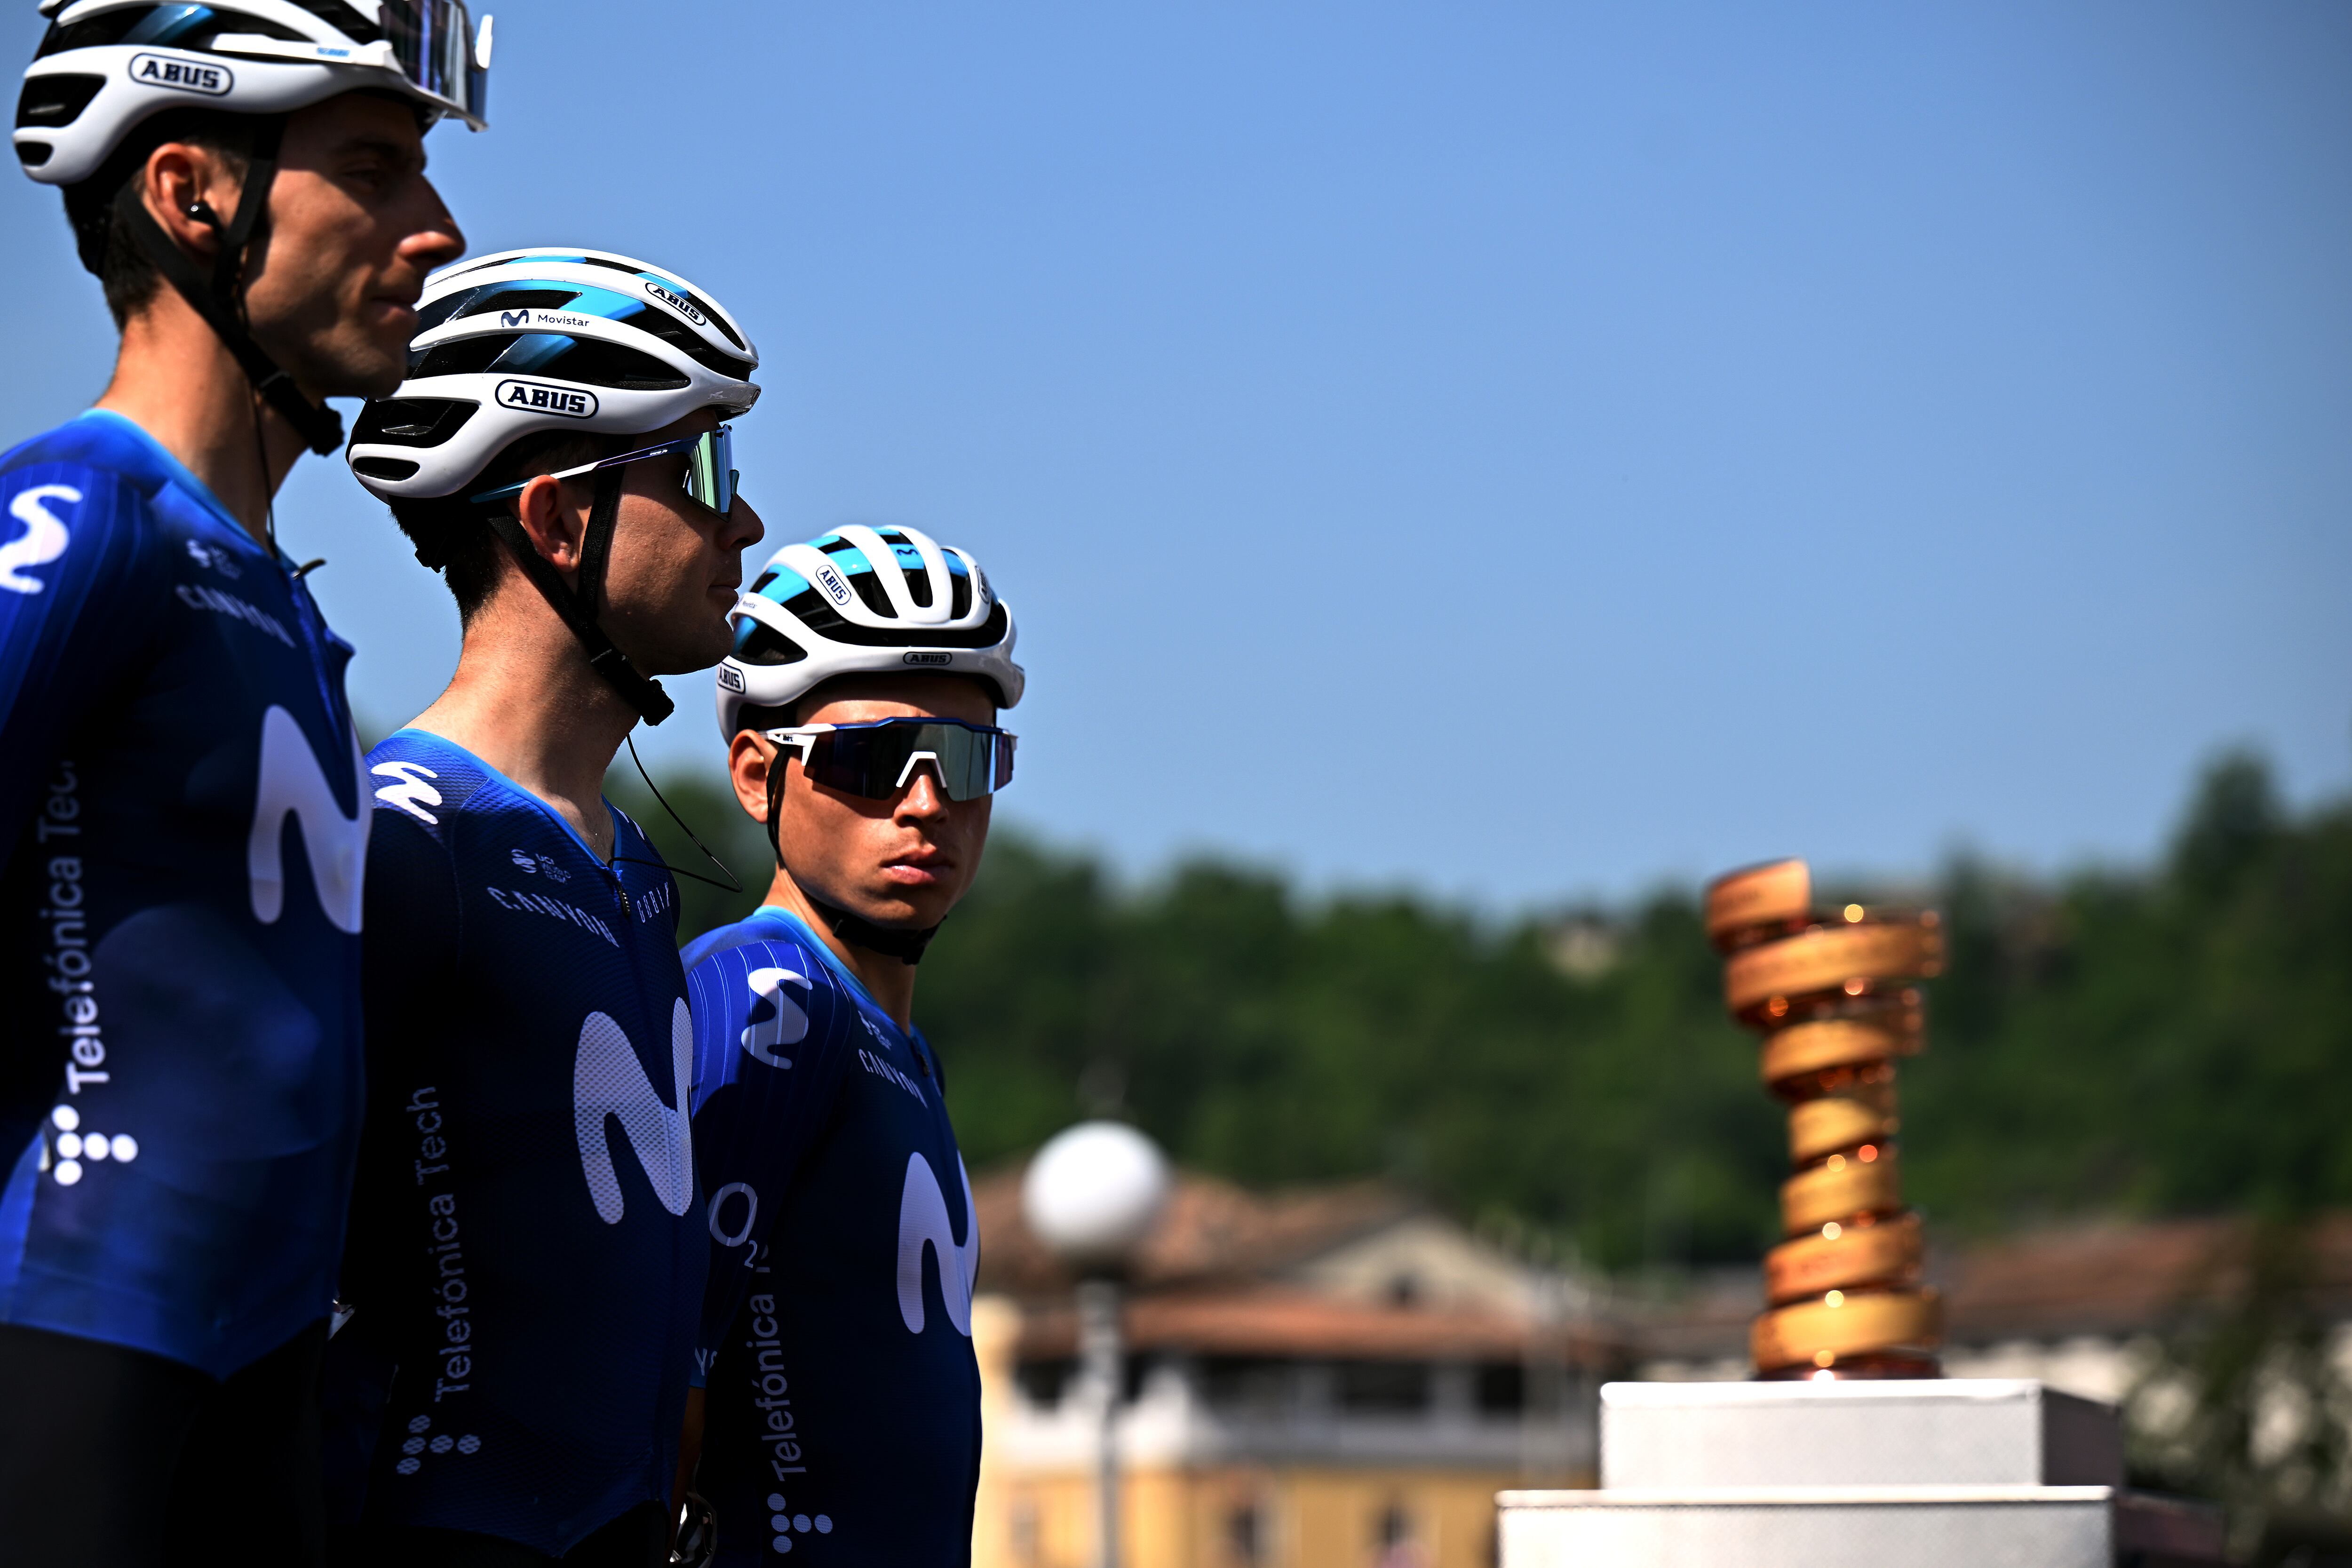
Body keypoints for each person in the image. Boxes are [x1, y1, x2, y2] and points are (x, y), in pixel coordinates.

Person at [0, 6, 484, 1561]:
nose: (439, 230)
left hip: (260, 1385)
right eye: (375, 170)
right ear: (192, 191)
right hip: (72, 1346)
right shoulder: (85, 514)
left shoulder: (277, 594)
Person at [325, 246, 764, 1567]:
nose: (744, 525)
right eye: (702, 474)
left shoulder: (632, 875)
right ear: (561, 520)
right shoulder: (407, 836)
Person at [676, 524, 1024, 1564]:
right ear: (755, 773)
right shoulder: (763, 992)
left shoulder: (905, 1051)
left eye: (965, 759)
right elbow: (657, 1370)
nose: (928, 804)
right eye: (874, 757)